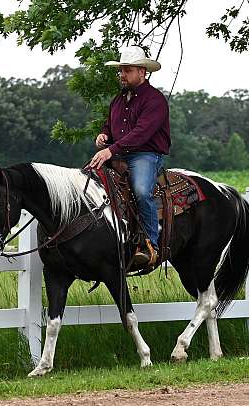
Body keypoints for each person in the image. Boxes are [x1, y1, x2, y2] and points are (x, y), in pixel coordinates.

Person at [88, 46, 171, 267]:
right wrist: (104, 134)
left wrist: (110, 150)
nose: (122, 75)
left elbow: (141, 133)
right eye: (121, 70)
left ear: (142, 72)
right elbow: (110, 123)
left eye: (127, 70)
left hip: (145, 155)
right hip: (117, 153)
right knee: (87, 182)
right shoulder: (118, 100)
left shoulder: (155, 100)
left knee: (142, 191)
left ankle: (150, 245)